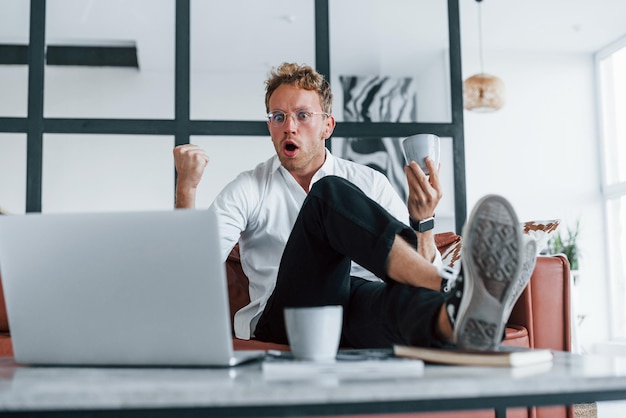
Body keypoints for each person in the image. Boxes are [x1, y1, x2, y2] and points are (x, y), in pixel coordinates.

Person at [173, 62, 526, 351]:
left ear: (327, 126)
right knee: (326, 196)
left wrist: (424, 222)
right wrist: (186, 188)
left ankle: (463, 318)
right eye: (277, 117)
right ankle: (453, 285)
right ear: (269, 125)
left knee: (388, 300)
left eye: (301, 115)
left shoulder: (370, 182)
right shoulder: (251, 186)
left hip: (353, 309)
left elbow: (412, 268)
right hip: (284, 318)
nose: (288, 127)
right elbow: (190, 269)